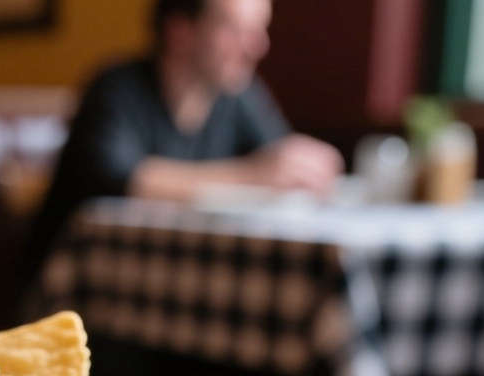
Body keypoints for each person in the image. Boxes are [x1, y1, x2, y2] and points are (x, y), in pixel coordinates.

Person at [19, 0, 342, 285]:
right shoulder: (117, 88)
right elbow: (117, 180)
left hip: (174, 286)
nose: (257, 46)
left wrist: (301, 167)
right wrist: (253, 175)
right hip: (78, 291)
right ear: (180, 31)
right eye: (235, 29)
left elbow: (279, 157)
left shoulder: (238, 96)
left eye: (259, 29)